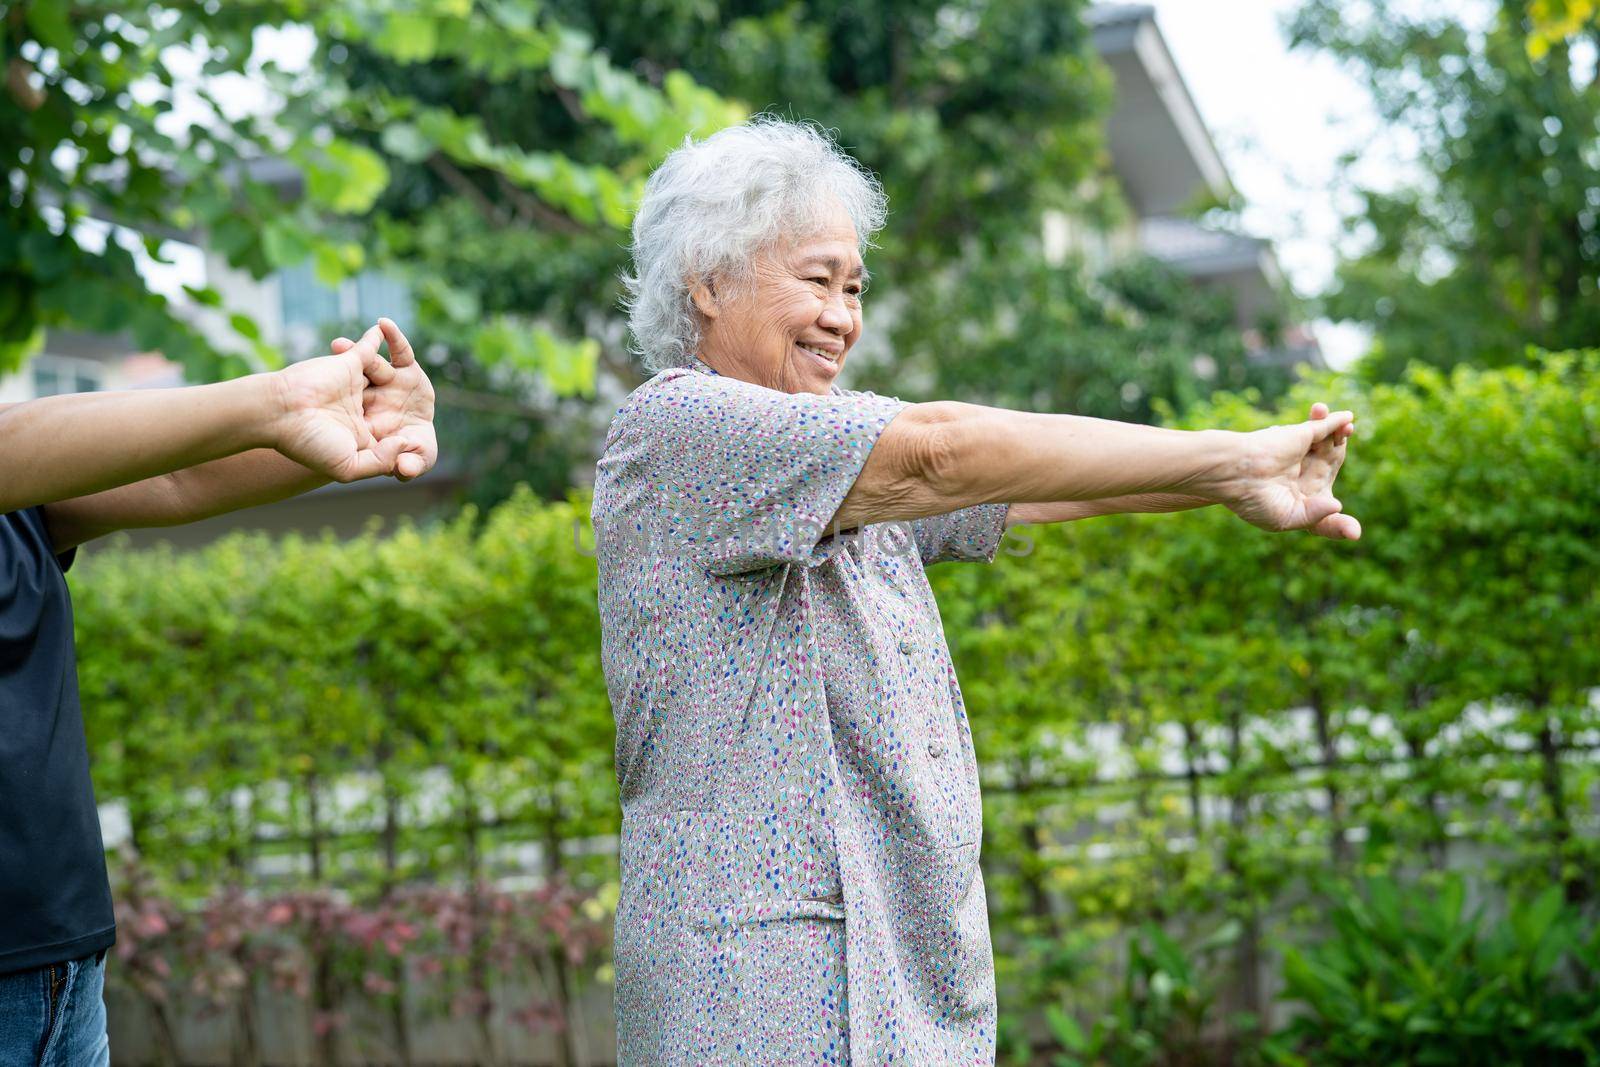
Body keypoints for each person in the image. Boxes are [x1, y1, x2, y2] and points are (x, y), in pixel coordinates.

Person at [591, 118, 1358, 1065]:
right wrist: (1232, 455)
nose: (843, 315)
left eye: (855, 287)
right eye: (817, 279)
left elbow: (1022, 486)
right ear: (707, 283)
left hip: (897, 963)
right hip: (759, 977)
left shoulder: (826, 456)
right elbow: (941, 451)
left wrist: (1231, 481)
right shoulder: (684, 425)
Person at [0, 318, 434, 1066]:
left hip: (56, 965)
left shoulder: (23, 496)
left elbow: (173, 473)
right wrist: (275, 397)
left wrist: (358, 421)